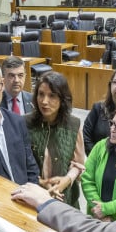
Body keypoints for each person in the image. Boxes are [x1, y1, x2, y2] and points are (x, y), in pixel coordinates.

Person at [26, 71, 86, 208]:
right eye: (41, 94)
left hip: (66, 198)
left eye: (52, 96)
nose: (44, 101)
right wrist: (41, 182)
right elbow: (20, 164)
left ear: (62, 99)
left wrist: (67, 180)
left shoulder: (73, 124)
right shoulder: (25, 123)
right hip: (34, 196)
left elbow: (78, 164)